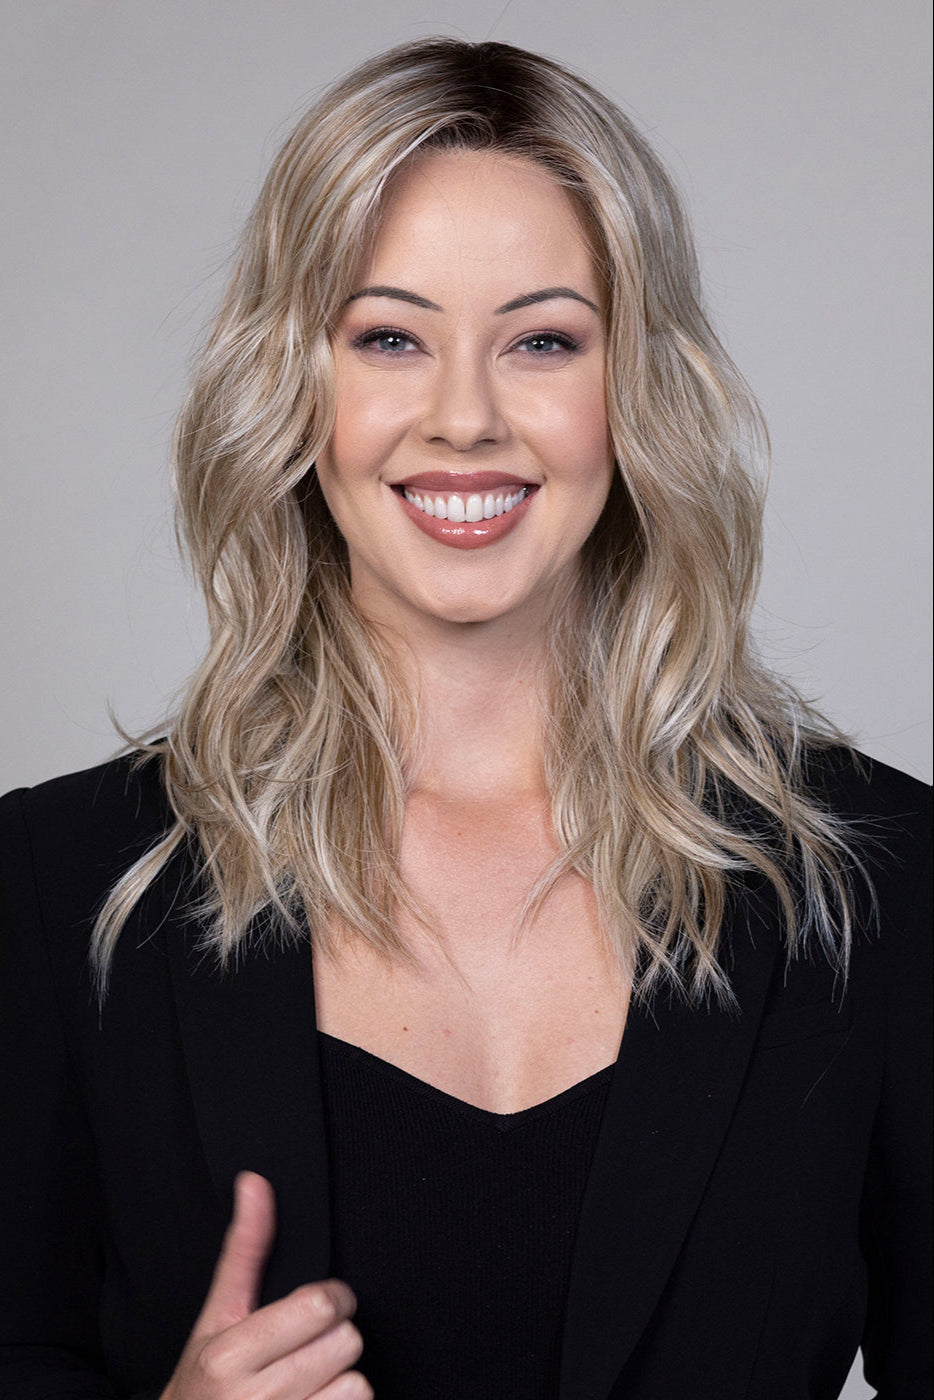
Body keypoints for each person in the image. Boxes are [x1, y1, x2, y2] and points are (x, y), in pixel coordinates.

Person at [0, 37, 929, 1400]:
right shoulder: (56, 883)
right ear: (294, 384)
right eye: (389, 337)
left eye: (542, 340)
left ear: (635, 386)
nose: (464, 417)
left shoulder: (880, 879)